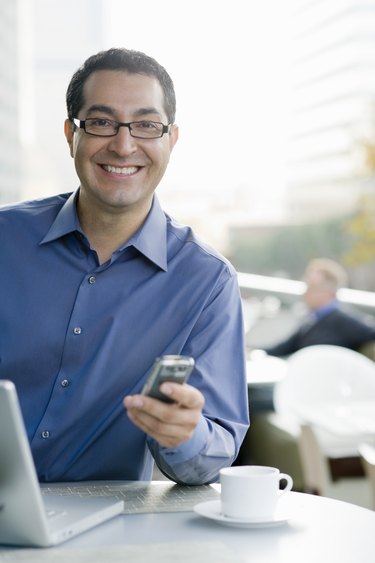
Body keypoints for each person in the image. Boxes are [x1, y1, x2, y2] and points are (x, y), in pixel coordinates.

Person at [0, 48, 249, 484]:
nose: (123, 143)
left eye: (147, 125)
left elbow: (209, 457)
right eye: (100, 122)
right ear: (70, 134)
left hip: (103, 535)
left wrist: (184, 434)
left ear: (171, 140)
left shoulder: (206, 282)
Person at [264, 258, 375, 357]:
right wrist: (256, 352)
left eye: (312, 287)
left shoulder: (344, 320)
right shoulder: (313, 319)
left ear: (327, 293)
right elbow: (285, 347)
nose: (305, 292)